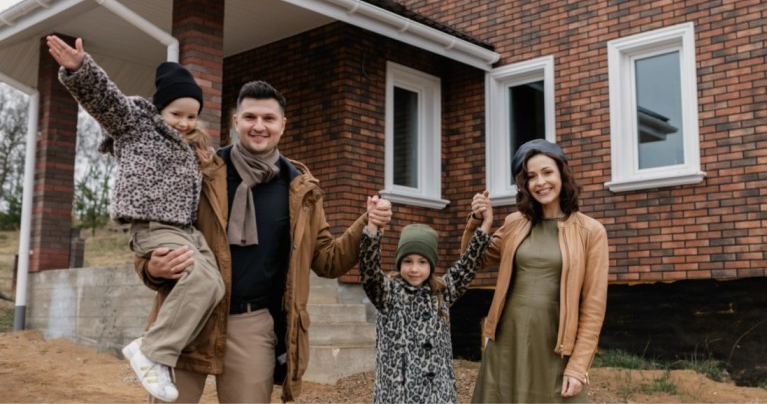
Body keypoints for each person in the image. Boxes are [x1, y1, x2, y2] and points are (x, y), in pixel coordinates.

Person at [138, 79, 393, 403]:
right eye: (250, 117)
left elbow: (328, 261)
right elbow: (154, 233)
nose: (259, 126)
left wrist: (367, 225)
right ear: (236, 122)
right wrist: (152, 267)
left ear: (283, 125)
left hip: (252, 324)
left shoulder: (301, 189)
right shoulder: (198, 170)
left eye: (268, 119)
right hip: (188, 317)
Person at [46, 35, 225, 402]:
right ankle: (153, 353)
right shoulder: (137, 125)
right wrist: (81, 70)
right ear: (160, 110)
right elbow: (105, 101)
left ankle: (154, 348)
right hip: (153, 226)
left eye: (191, 116)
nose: (184, 123)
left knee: (214, 285)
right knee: (201, 280)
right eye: (176, 114)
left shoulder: (192, 147)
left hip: (185, 231)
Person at [466, 138, 609, 403]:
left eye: (547, 172)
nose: (541, 182)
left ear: (561, 174)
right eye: (531, 177)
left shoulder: (591, 231)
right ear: (525, 185)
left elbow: (593, 308)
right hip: (507, 340)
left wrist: (578, 367)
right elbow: (472, 263)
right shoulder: (514, 223)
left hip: (556, 345)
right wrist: (479, 223)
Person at [359, 192, 493, 403]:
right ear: (399, 263)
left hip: (439, 395)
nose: (414, 269)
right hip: (398, 396)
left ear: (431, 265)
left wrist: (485, 224)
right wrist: (373, 228)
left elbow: (468, 264)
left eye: (422, 262)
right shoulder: (387, 293)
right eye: (408, 261)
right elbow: (369, 270)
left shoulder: (441, 292)